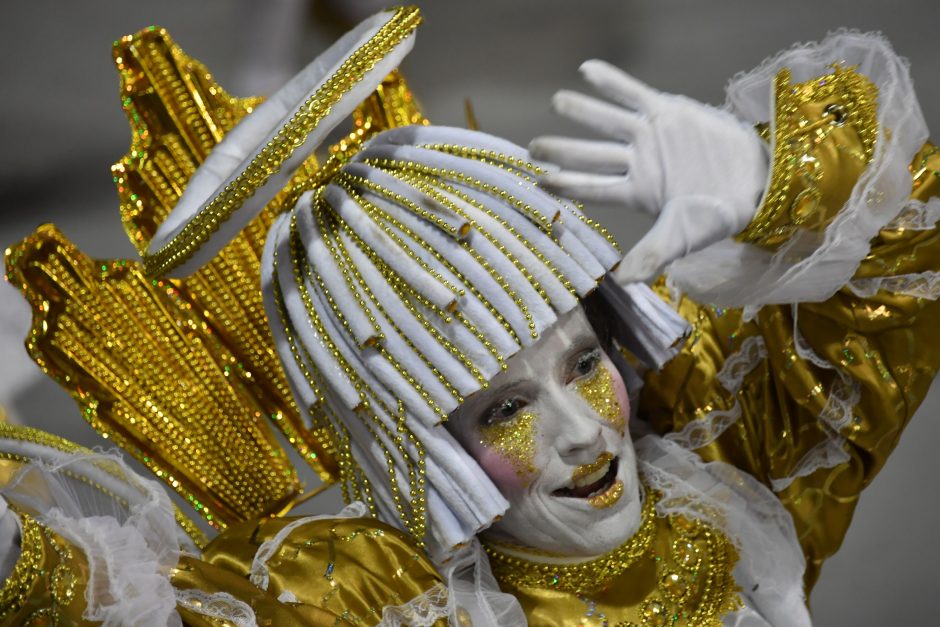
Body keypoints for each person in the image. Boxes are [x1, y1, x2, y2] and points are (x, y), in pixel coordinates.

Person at [1, 7, 938, 626]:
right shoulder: (400, 602)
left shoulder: (729, 468)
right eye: (503, 409)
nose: (581, 433)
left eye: (580, 362)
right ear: (416, 447)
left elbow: (905, 279)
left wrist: (793, 190)